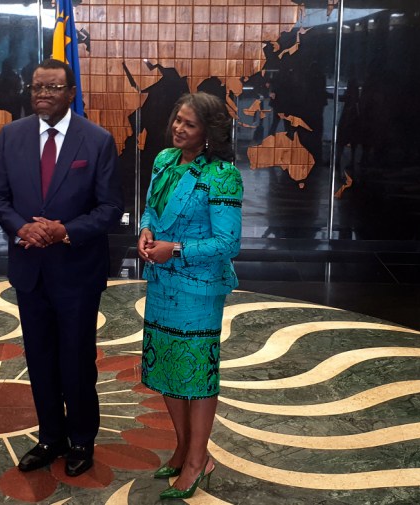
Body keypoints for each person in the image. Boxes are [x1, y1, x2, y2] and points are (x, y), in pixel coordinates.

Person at [0, 58, 124, 477]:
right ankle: (50, 438)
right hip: (30, 270)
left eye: (52, 88)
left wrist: (64, 230)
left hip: (77, 272)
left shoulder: (96, 141)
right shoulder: (11, 136)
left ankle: (81, 439)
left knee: (76, 359)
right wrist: (23, 228)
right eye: (36, 87)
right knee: (41, 358)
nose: (42, 94)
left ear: (70, 93)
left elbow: (110, 208)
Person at [137, 92, 243, 499]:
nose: (179, 128)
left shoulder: (222, 176)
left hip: (198, 289)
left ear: (209, 133)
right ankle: (184, 448)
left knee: (196, 374)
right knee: (166, 366)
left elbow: (228, 242)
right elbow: (150, 209)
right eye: (177, 120)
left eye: (190, 124)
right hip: (162, 283)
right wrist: (146, 232)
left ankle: (199, 460)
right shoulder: (164, 160)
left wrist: (175, 249)